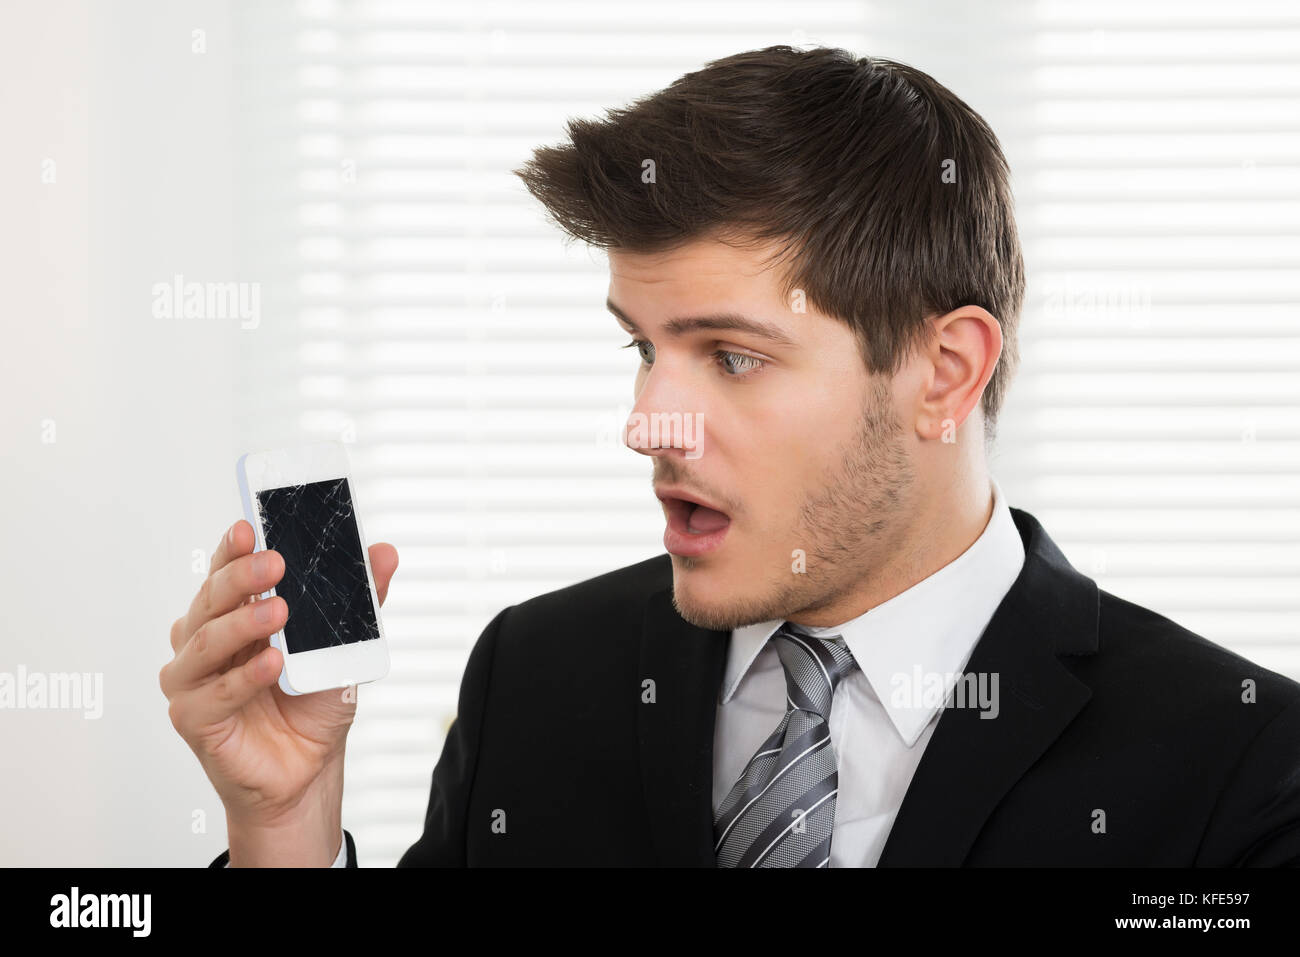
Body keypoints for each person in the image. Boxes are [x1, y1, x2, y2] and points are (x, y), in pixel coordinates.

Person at [160, 46, 1300, 867]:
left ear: (943, 372)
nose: (649, 422)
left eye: (734, 357)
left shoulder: (1239, 763)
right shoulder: (538, 681)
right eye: (643, 349)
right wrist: (285, 829)